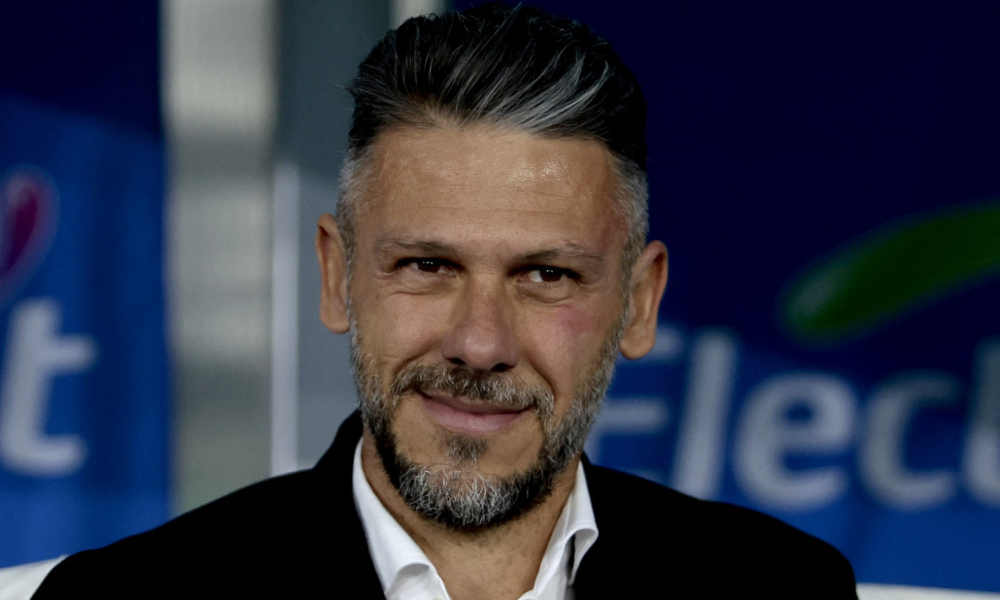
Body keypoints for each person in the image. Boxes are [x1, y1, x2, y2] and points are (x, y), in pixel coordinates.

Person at [33, 3, 858, 598]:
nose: (479, 342)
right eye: (428, 265)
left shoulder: (780, 588)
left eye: (546, 275)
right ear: (337, 276)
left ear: (639, 303)